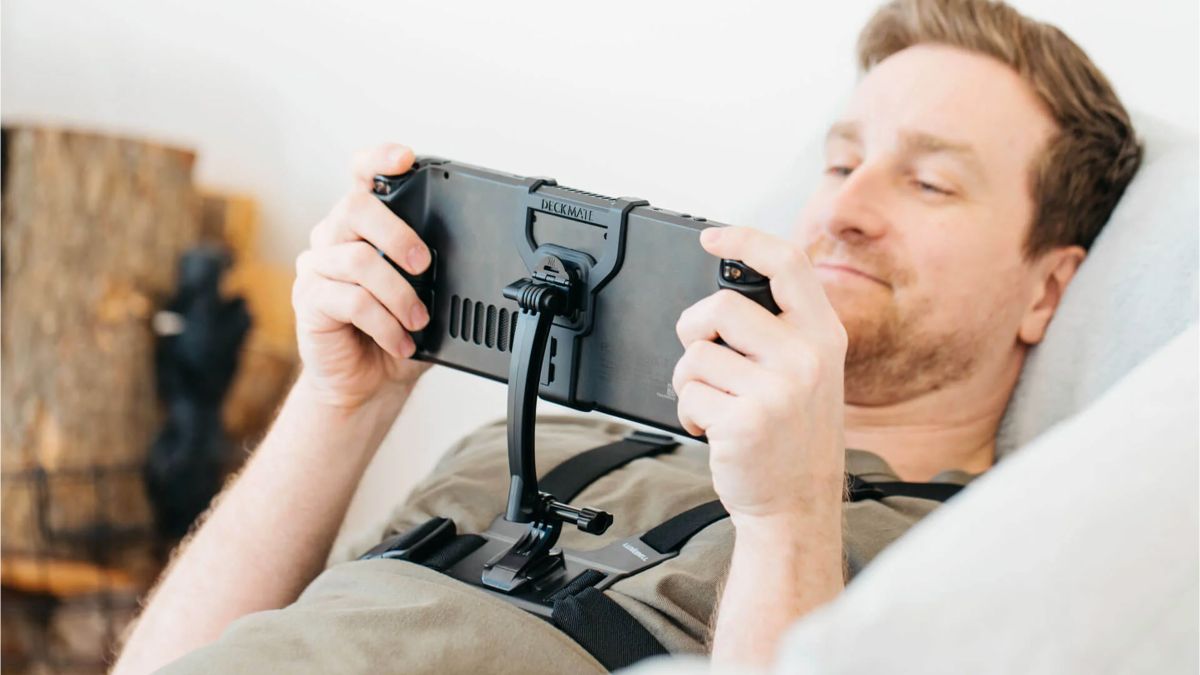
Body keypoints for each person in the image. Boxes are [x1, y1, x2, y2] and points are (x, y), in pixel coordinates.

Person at [112, 0, 1142, 672]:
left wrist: (787, 516)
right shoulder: (538, 440)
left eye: (928, 180)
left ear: (1048, 290)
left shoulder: (973, 563)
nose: (844, 212)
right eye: (839, 164)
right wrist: (344, 403)